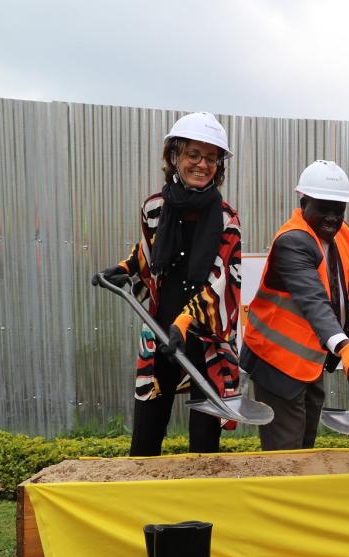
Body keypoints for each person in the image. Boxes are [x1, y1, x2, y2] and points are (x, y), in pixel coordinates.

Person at [99, 112, 242, 457]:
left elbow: (224, 279)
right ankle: (143, 503)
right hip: (159, 330)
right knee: (146, 431)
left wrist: (185, 322)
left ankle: (201, 505)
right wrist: (124, 268)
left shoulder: (226, 218)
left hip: (204, 337)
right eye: (194, 155)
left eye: (211, 158)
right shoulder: (154, 208)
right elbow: (150, 253)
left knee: (204, 443)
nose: (202, 164)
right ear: (174, 157)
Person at [240, 160, 349, 451]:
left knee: (305, 447)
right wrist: (346, 347)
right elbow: (314, 301)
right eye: (323, 208)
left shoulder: (342, 232)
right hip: (276, 360)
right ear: (303, 203)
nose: (332, 217)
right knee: (286, 455)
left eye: (339, 210)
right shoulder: (293, 242)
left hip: (309, 359)